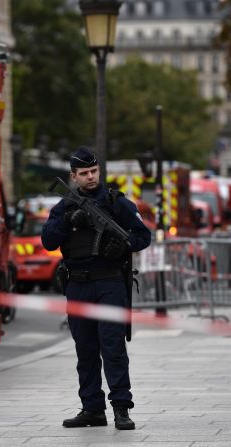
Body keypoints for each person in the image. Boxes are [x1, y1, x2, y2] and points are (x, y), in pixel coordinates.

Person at [41, 147, 151, 430]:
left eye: (94, 171)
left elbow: (143, 235)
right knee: (85, 350)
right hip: (78, 284)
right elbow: (48, 241)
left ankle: (121, 409)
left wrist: (124, 245)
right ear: (73, 176)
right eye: (84, 173)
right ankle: (92, 409)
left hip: (109, 283)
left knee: (112, 347)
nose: (91, 177)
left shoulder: (116, 203)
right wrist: (68, 221)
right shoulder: (64, 207)